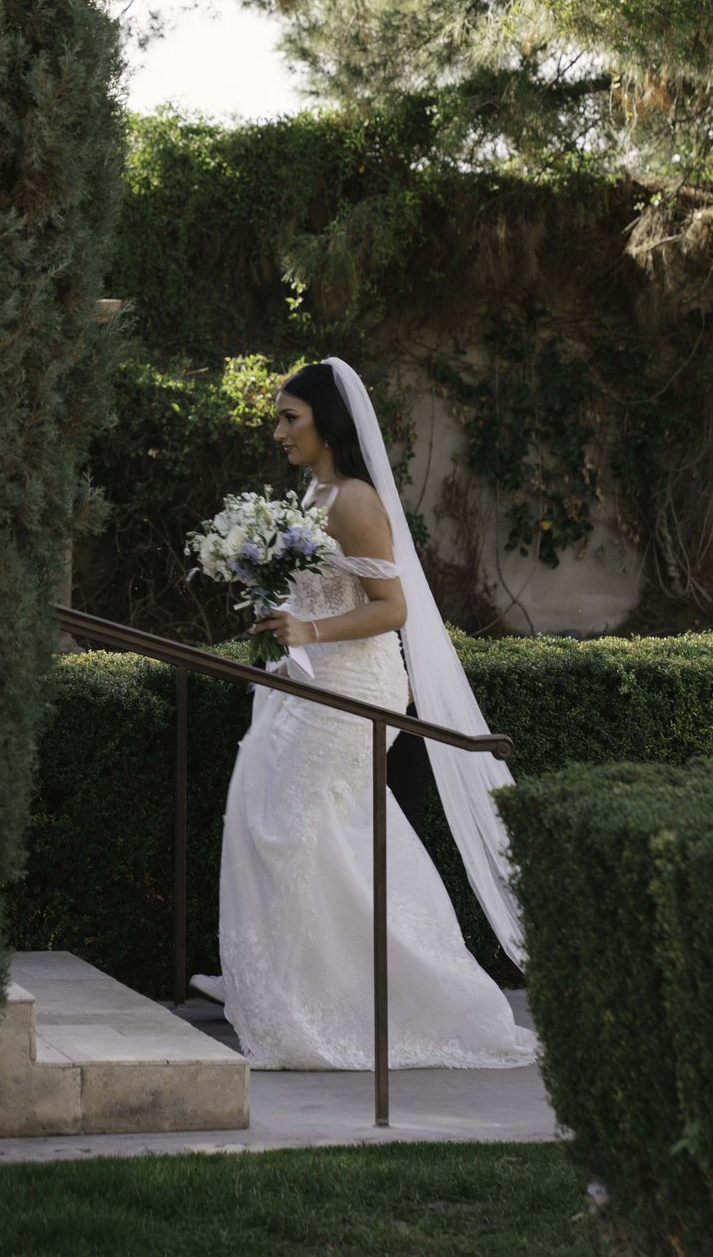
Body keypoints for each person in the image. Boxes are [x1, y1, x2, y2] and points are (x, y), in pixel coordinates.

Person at [189, 359, 536, 1070]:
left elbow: (392, 608)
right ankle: (268, 974)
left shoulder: (355, 501)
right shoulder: (313, 491)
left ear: (328, 423)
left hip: (352, 688)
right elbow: (325, 588)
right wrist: (284, 619)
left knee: (293, 827)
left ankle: (321, 1000)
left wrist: (310, 630)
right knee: (268, 814)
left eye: (291, 418)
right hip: (307, 678)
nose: (279, 431)